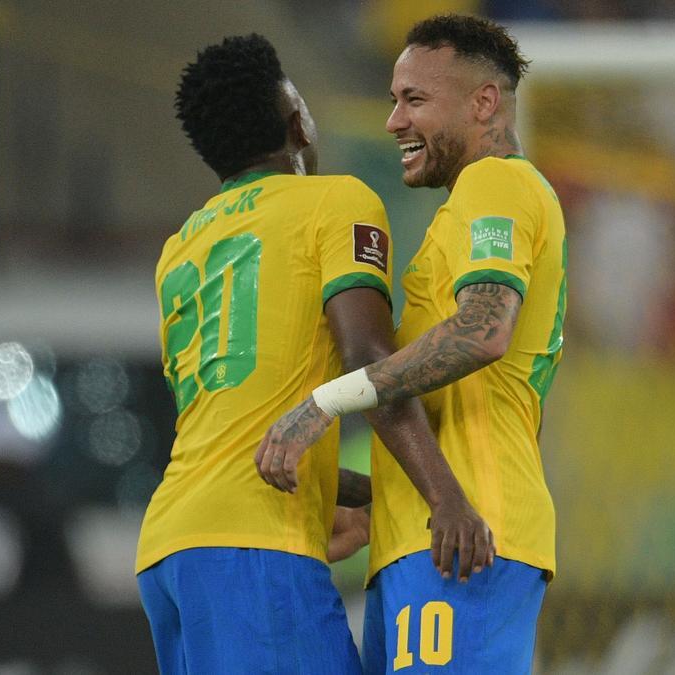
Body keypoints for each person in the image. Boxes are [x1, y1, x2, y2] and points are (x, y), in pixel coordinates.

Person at [137, 34, 488, 674]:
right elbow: (367, 355)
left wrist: (353, 488)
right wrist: (446, 498)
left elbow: (229, 424)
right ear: (294, 118)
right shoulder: (336, 201)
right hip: (252, 547)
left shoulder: (180, 248)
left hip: (169, 550)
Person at [257, 15, 566, 673]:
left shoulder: (498, 183)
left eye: (415, 100)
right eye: (395, 99)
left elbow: (484, 331)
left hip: (469, 540)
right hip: (424, 542)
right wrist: (375, 497)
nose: (394, 120)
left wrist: (326, 401)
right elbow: (449, 399)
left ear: (484, 102)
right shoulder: (456, 218)